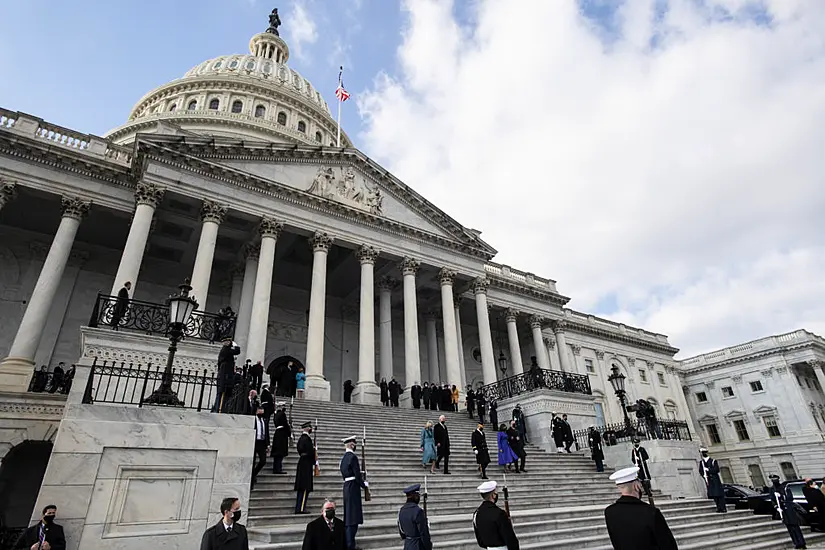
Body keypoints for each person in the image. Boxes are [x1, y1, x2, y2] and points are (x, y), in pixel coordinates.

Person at [604, 466, 677, 550]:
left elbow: (616, 543)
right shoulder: (651, 512)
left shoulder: (609, 512)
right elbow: (668, 545)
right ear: (636, 486)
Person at [340, 435, 369, 550]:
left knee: (349, 516)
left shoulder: (343, 458)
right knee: (353, 518)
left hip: (346, 486)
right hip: (353, 487)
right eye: (355, 444)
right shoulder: (353, 457)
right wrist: (364, 484)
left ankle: (349, 542)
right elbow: (357, 475)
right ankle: (350, 544)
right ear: (352, 444)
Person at [472, 480, 519, 550]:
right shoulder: (500, 513)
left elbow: (480, 540)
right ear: (493, 495)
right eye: (495, 492)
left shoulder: (476, 513)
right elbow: (510, 539)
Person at [770, 475, 807, 549]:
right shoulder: (772, 489)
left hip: (789, 508)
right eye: (773, 479)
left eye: (775, 479)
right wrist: (776, 507)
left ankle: (802, 543)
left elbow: (790, 497)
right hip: (782, 509)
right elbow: (773, 499)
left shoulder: (784, 487)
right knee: (790, 527)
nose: (774, 481)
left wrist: (782, 496)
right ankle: (796, 543)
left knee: (795, 526)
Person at [398, 484, 432, 550]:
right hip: (418, 546)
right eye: (418, 496)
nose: (419, 498)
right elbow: (424, 534)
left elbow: (402, 532)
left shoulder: (401, 510)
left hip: (407, 545)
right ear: (415, 496)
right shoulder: (418, 511)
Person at [213, 338, 241, 413]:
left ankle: (220, 409)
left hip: (225, 377)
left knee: (224, 395)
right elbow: (237, 351)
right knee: (222, 395)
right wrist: (236, 346)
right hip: (225, 378)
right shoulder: (226, 350)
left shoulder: (226, 350)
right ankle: (220, 409)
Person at [295, 421, 315, 514]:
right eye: (310, 427)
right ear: (307, 428)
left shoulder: (301, 438)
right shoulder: (307, 439)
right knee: (304, 487)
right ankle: (301, 508)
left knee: (302, 487)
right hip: (306, 463)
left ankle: (299, 507)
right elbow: (310, 452)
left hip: (302, 462)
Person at [698, 447, 726, 513]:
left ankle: (723, 508)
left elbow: (716, 470)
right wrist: (704, 475)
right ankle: (718, 507)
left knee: (719, 494)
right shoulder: (701, 462)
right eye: (702, 453)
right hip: (709, 480)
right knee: (714, 495)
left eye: (703, 453)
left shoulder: (713, 461)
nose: (702, 454)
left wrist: (708, 470)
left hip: (715, 480)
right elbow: (701, 471)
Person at [250, 400, 270, 489]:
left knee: (263, 461)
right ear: (256, 411)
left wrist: (268, 444)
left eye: (262, 411)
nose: (261, 413)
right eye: (260, 411)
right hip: (254, 442)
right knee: (252, 462)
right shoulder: (253, 419)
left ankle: (253, 474)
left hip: (262, 443)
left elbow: (267, 433)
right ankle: (251, 483)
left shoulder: (264, 420)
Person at [271, 402, 291, 474]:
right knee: (280, 452)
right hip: (282, 434)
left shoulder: (276, 414)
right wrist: (289, 433)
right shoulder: (282, 414)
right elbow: (285, 424)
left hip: (277, 433)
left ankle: (275, 468)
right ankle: (278, 468)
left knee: (277, 453)